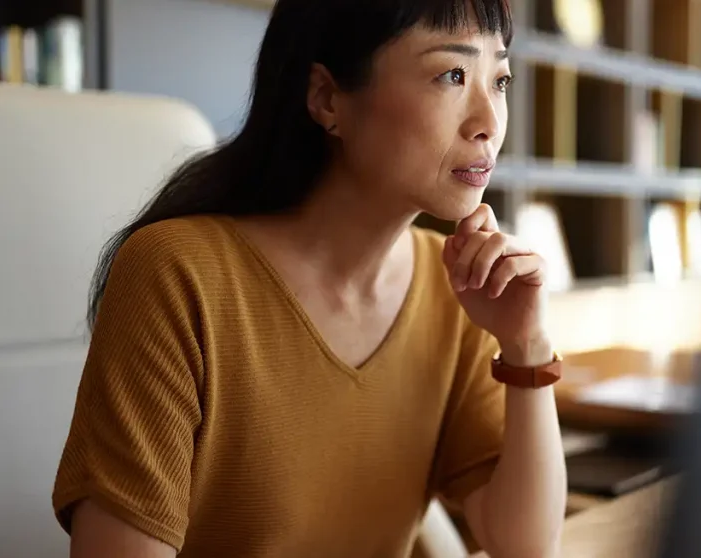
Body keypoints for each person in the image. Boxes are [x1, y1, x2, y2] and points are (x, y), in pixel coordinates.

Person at [51, 0, 567, 556]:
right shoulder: (176, 276)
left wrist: (525, 345)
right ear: (327, 99)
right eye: (453, 74)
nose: (489, 123)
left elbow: (526, 544)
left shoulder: (455, 290)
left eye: (501, 80)